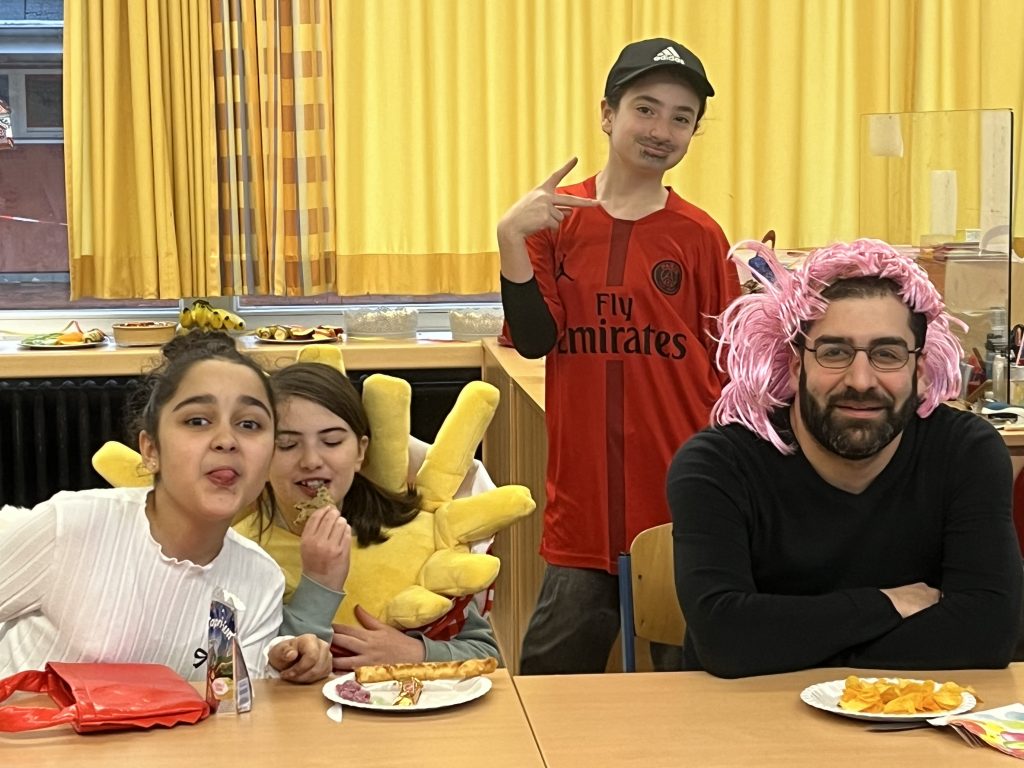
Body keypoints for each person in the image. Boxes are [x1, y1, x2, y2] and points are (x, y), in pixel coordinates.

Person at [667, 238, 1024, 678]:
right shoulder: (719, 465)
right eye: (834, 352)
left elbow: (988, 632)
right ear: (795, 366)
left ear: (919, 371)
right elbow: (724, 638)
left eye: (887, 354)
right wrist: (885, 604)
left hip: (915, 713)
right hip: (746, 716)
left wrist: (789, 643)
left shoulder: (966, 454)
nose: (860, 380)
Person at [497, 37, 740, 673]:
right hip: (581, 504)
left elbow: (730, 371)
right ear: (608, 114)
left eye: (681, 118)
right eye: (645, 109)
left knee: (688, 684)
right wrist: (511, 238)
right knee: (552, 680)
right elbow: (535, 339)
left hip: (676, 500)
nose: (661, 130)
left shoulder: (700, 235)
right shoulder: (556, 222)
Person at [0, 331, 331, 683]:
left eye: (249, 424)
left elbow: (229, 701)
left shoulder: (260, 580)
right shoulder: (69, 526)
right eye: (197, 421)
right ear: (151, 450)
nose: (226, 441)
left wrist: (282, 665)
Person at [235, 362, 501, 672]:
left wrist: (415, 653)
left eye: (332, 442)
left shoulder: (413, 535)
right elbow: (246, 672)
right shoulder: (237, 551)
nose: (311, 460)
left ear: (360, 452)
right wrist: (319, 582)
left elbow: (485, 654)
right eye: (287, 444)